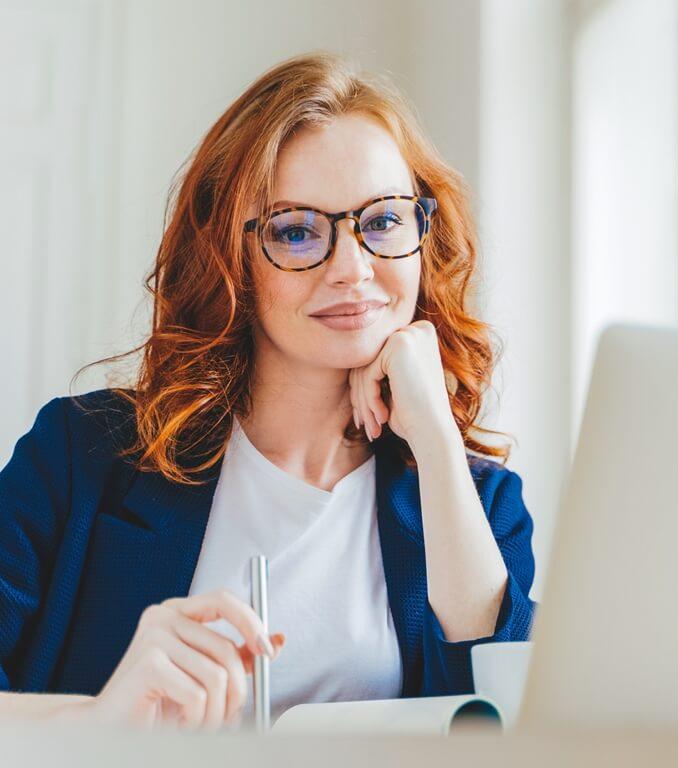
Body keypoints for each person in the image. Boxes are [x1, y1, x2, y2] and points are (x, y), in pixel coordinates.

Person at [0, 51, 536, 731]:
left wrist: (434, 439)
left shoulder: (478, 501)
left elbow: (509, 719)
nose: (352, 268)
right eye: (295, 231)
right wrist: (104, 720)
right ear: (230, 257)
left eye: (383, 221)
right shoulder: (79, 459)